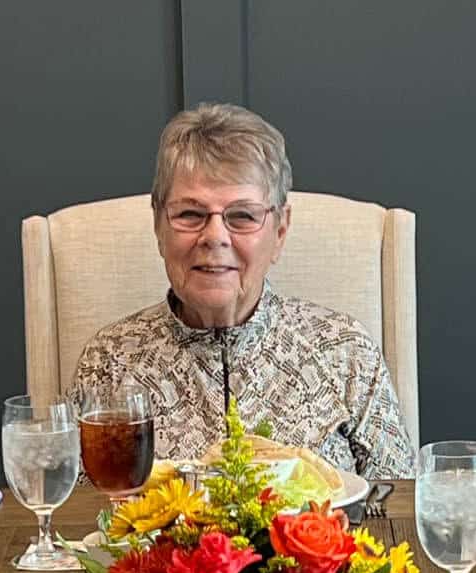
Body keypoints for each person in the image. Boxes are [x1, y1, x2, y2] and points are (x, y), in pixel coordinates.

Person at [70, 103, 415, 478]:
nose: (214, 237)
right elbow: (74, 520)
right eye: (190, 214)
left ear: (280, 231)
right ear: (158, 226)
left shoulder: (344, 351)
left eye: (242, 216)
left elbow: (398, 507)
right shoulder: (109, 361)